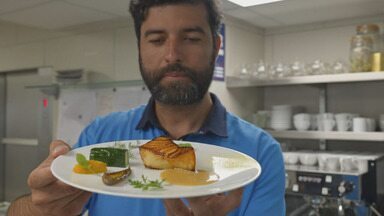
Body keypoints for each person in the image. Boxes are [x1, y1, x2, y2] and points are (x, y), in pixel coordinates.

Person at [7, 0, 286, 215]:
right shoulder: (101, 135)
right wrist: (40, 207)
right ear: (140, 48)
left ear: (216, 46)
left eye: (190, 38)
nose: (172, 55)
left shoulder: (260, 153)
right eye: (156, 40)